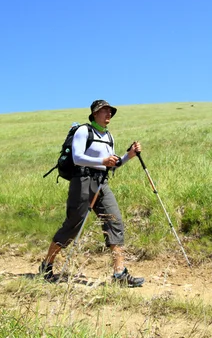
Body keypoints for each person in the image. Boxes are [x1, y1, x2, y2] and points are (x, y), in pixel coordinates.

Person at [40, 100, 145, 287]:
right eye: (104, 111)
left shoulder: (109, 136)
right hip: (82, 181)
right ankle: (46, 265)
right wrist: (103, 161)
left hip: (102, 182)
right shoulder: (84, 131)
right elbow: (77, 158)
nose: (108, 114)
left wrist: (129, 155)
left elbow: (112, 164)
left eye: (110, 111)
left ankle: (119, 273)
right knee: (73, 224)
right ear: (95, 114)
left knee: (114, 220)